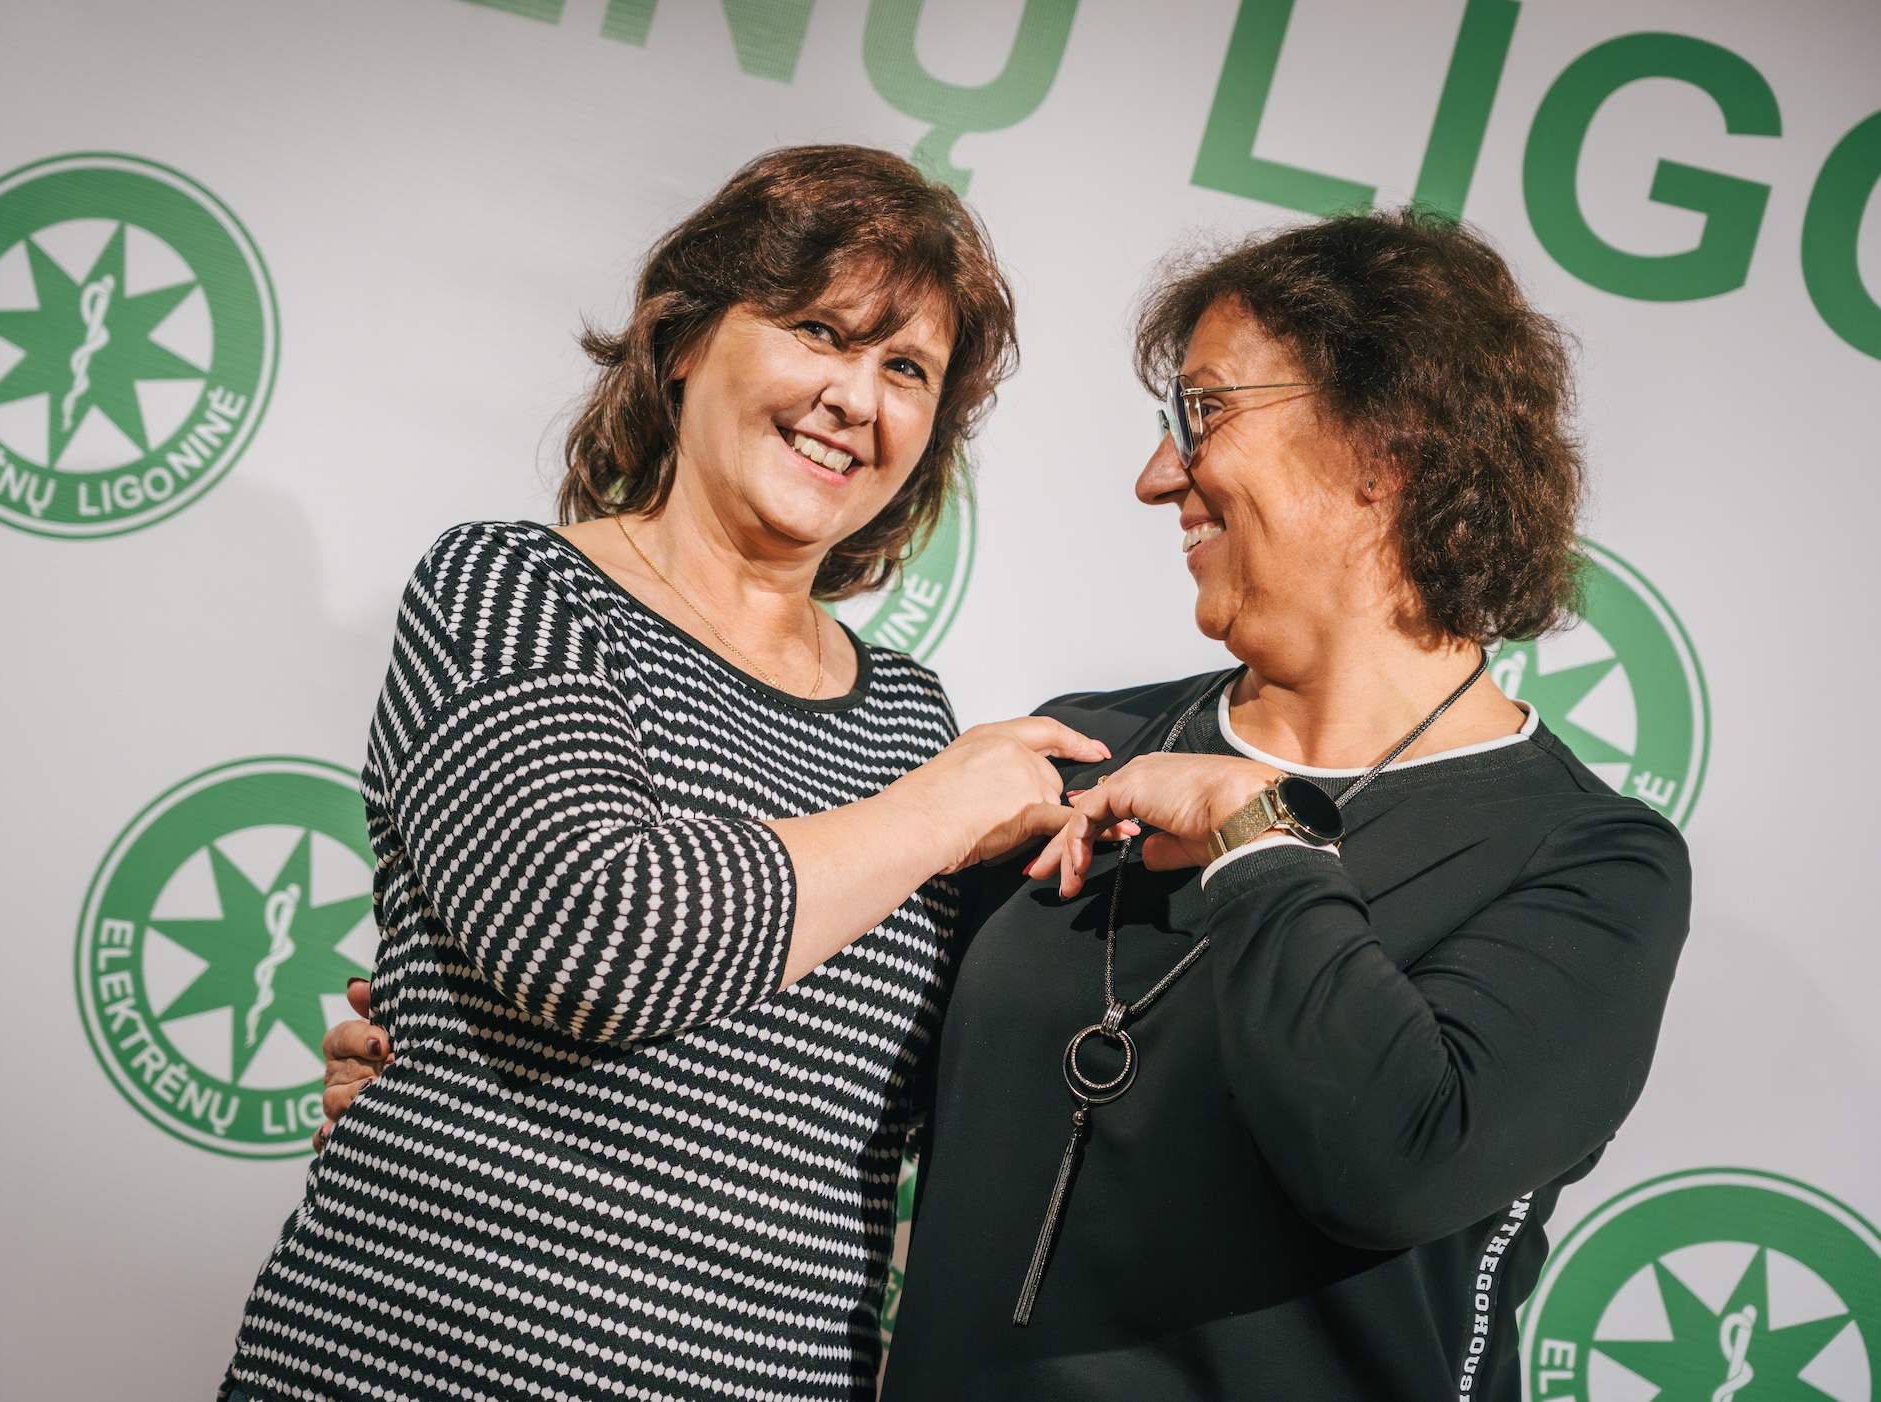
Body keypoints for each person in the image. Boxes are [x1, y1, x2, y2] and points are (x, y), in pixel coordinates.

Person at [323, 209, 1691, 1400]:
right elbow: (838, 1061)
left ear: (1387, 443)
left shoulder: (1584, 860)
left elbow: (1393, 1160)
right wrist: (460, 1074)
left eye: (1203, 414)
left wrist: (1253, 834)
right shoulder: (1076, 752)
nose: (1156, 475)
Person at [217, 145, 1107, 1402]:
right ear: (682, 340)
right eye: (818, 331)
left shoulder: (912, 719)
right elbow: (592, 935)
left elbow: (938, 1099)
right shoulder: (516, 590)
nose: (854, 398)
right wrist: (937, 811)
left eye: (905, 369)